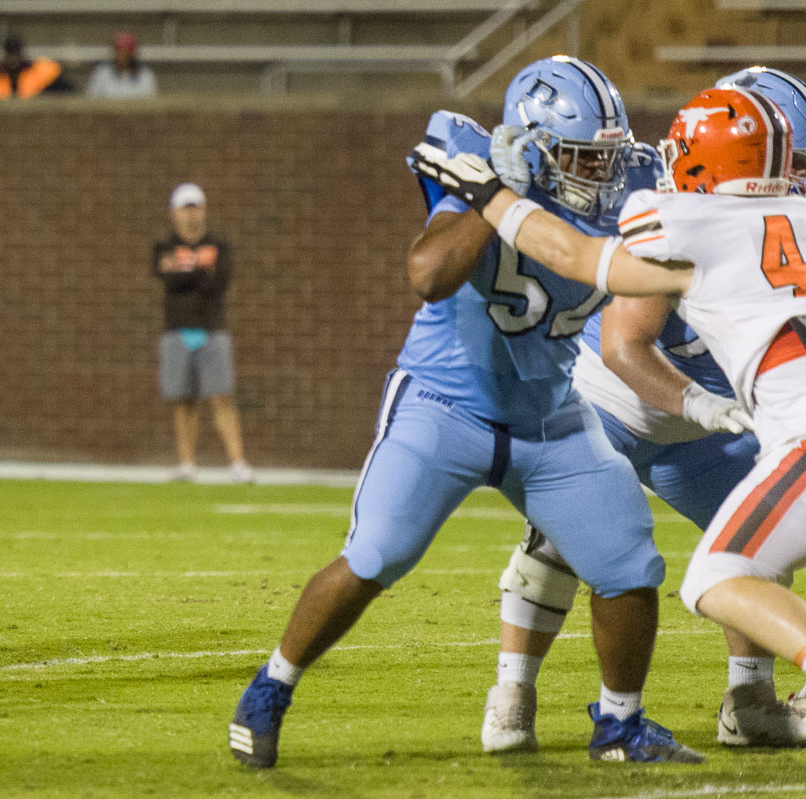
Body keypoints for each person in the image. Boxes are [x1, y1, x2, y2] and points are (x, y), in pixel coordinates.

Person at [409, 85, 806, 791]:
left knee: (719, 574)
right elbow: (625, 339)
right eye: (797, 155)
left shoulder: (680, 210)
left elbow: (583, 260)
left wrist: (491, 196)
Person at [228, 57, 703, 770]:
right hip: (442, 406)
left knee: (628, 562)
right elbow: (429, 273)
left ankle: (620, 723)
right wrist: (496, 193)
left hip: (550, 414)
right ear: (536, 144)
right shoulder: (481, 162)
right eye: (579, 155)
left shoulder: (630, 186)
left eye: (604, 156)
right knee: (375, 555)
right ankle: (272, 685)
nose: (599, 173)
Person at [481, 65, 806, 753]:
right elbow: (626, 346)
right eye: (795, 162)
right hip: (616, 398)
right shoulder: (671, 206)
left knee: (758, 541)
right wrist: (705, 403)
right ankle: (512, 694)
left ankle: (750, 701)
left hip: (708, 423)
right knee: (559, 540)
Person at [154, 182, 252, 483]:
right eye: (185, 208)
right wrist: (198, 271)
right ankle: (186, 463)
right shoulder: (163, 247)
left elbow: (217, 284)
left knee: (221, 395)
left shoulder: (220, 246)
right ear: (174, 213)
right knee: (183, 399)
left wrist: (185, 272)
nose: (191, 215)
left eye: (195, 208)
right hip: (176, 331)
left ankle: (237, 463)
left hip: (212, 330)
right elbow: (169, 281)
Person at [0, 35, 71, 100]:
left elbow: (68, 91)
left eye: (15, 53)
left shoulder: (41, 70)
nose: (13, 58)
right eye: (10, 53)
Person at [86, 32, 156, 99]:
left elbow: (151, 102)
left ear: (132, 53)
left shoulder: (145, 75)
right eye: (118, 50)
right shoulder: (101, 73)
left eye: (125, 51)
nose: (121, 54)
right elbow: (92, 101)